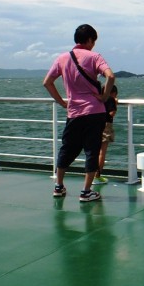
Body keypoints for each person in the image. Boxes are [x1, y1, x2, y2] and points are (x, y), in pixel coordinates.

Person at [43, 24, 115, 202]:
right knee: (92, 150)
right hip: (94, 112)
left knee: (67, 148)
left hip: (74, 112)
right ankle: (86, 191)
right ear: (90, 40)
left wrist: (62, 102)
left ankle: (58, 186)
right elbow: (110, 76)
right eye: (93, 41)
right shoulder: (94, 57)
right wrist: (104, 96)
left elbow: (47, 82)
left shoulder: (62, 58)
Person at [94, 85, 118, 185]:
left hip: (95, 124)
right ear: (113, 93)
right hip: (105, 126)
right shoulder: (110, 99)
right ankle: (97, 176)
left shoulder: (98, 99)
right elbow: (111, 113)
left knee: (93, 151)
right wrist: (115, 104)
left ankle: (91, 174)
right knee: (102, 153)